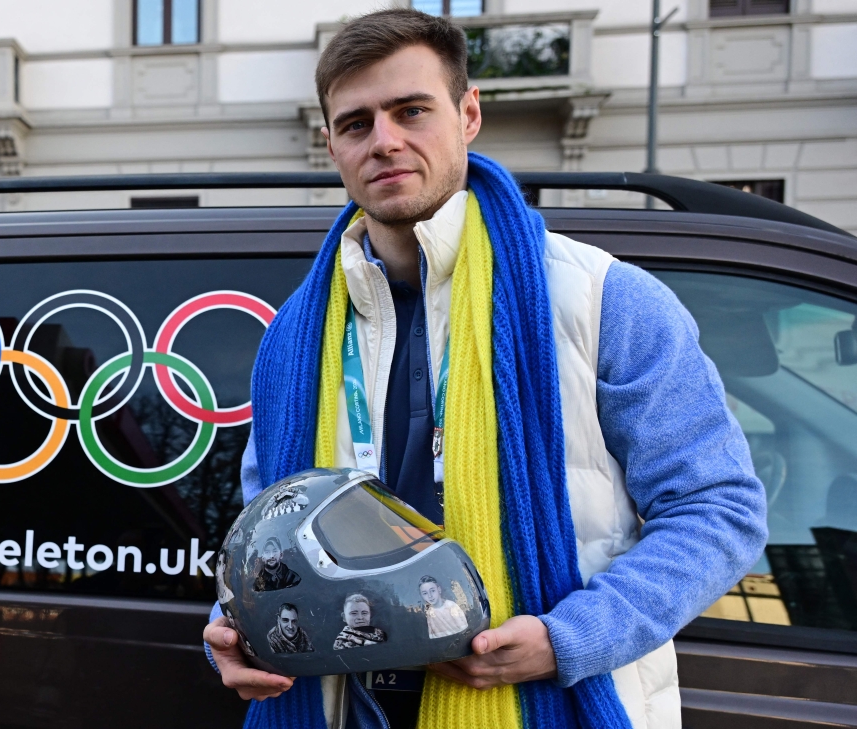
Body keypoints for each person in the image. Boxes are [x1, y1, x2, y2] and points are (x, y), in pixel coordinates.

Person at [203, 8, 767, 729]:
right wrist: (231, 620)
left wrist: (567, 639)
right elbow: (267, 531)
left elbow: (719, 508)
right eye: (356, 123)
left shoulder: (600, 299)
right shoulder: (293, 335)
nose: (385, 141)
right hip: (347, 707)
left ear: (468, 114)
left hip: (543, 703)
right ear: (331, 144)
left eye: (411, 110)